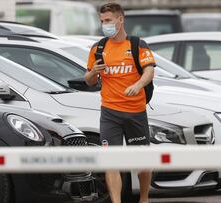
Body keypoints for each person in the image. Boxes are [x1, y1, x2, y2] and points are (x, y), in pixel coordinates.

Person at [84, 2, 156, 203]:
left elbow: (150, 70)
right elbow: (88, 80)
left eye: (108, 20)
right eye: (102, 21)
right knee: (111, 161)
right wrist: (92, 73)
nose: (104, 24)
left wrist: (138, 85)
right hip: (109, 113)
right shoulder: (98, 48)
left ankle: (143, 198)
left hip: (135, 112)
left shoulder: (136, 44)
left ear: (120, 19)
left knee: (143, 162)